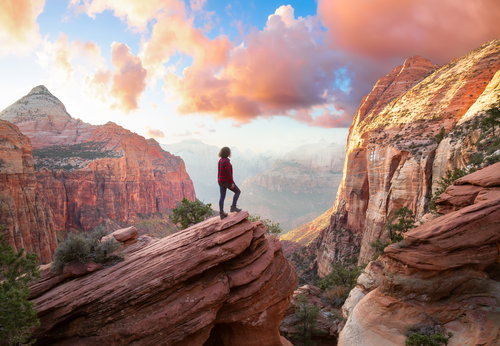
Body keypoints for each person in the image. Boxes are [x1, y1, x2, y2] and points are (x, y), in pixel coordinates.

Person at [218, 146, 241, 219]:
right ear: (228, 153)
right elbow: (229, 174)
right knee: (238, 192)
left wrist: (219, 181)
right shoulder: (226, 162)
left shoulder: (220, 160)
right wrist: (231, 183)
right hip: (227, 182)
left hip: (221, 181)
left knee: (222, 197)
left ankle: (221, 213)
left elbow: (219, 172)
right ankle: (233, 207)